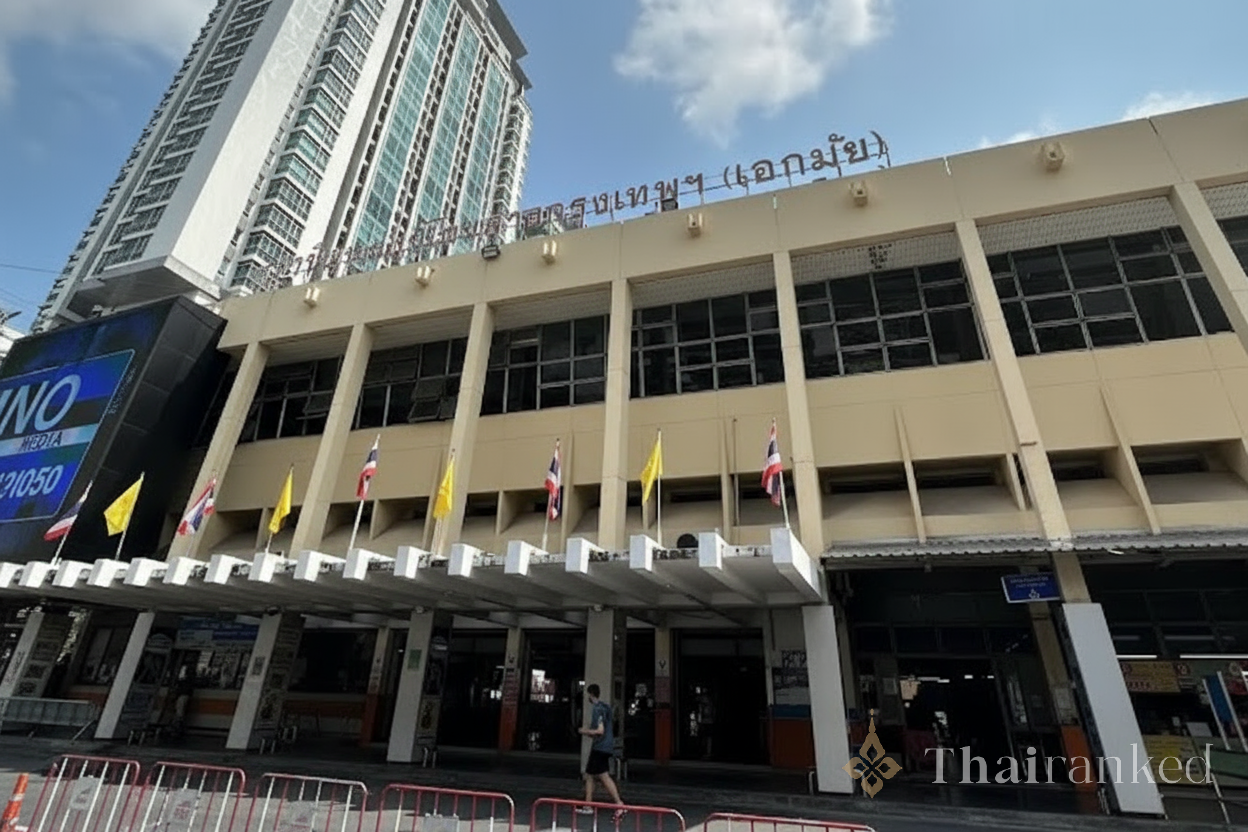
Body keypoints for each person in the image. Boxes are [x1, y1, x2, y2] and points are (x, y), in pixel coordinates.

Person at [577, 683, 625, 817]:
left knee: (603, 776)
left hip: (600, 747)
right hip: (605, 746)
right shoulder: (606, 707)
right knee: (590, 775)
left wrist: (584, 731)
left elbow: (600, 730)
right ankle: (588, 804)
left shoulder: (597, 709)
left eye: (588, 695)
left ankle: (618, 803)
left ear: (591, 695)